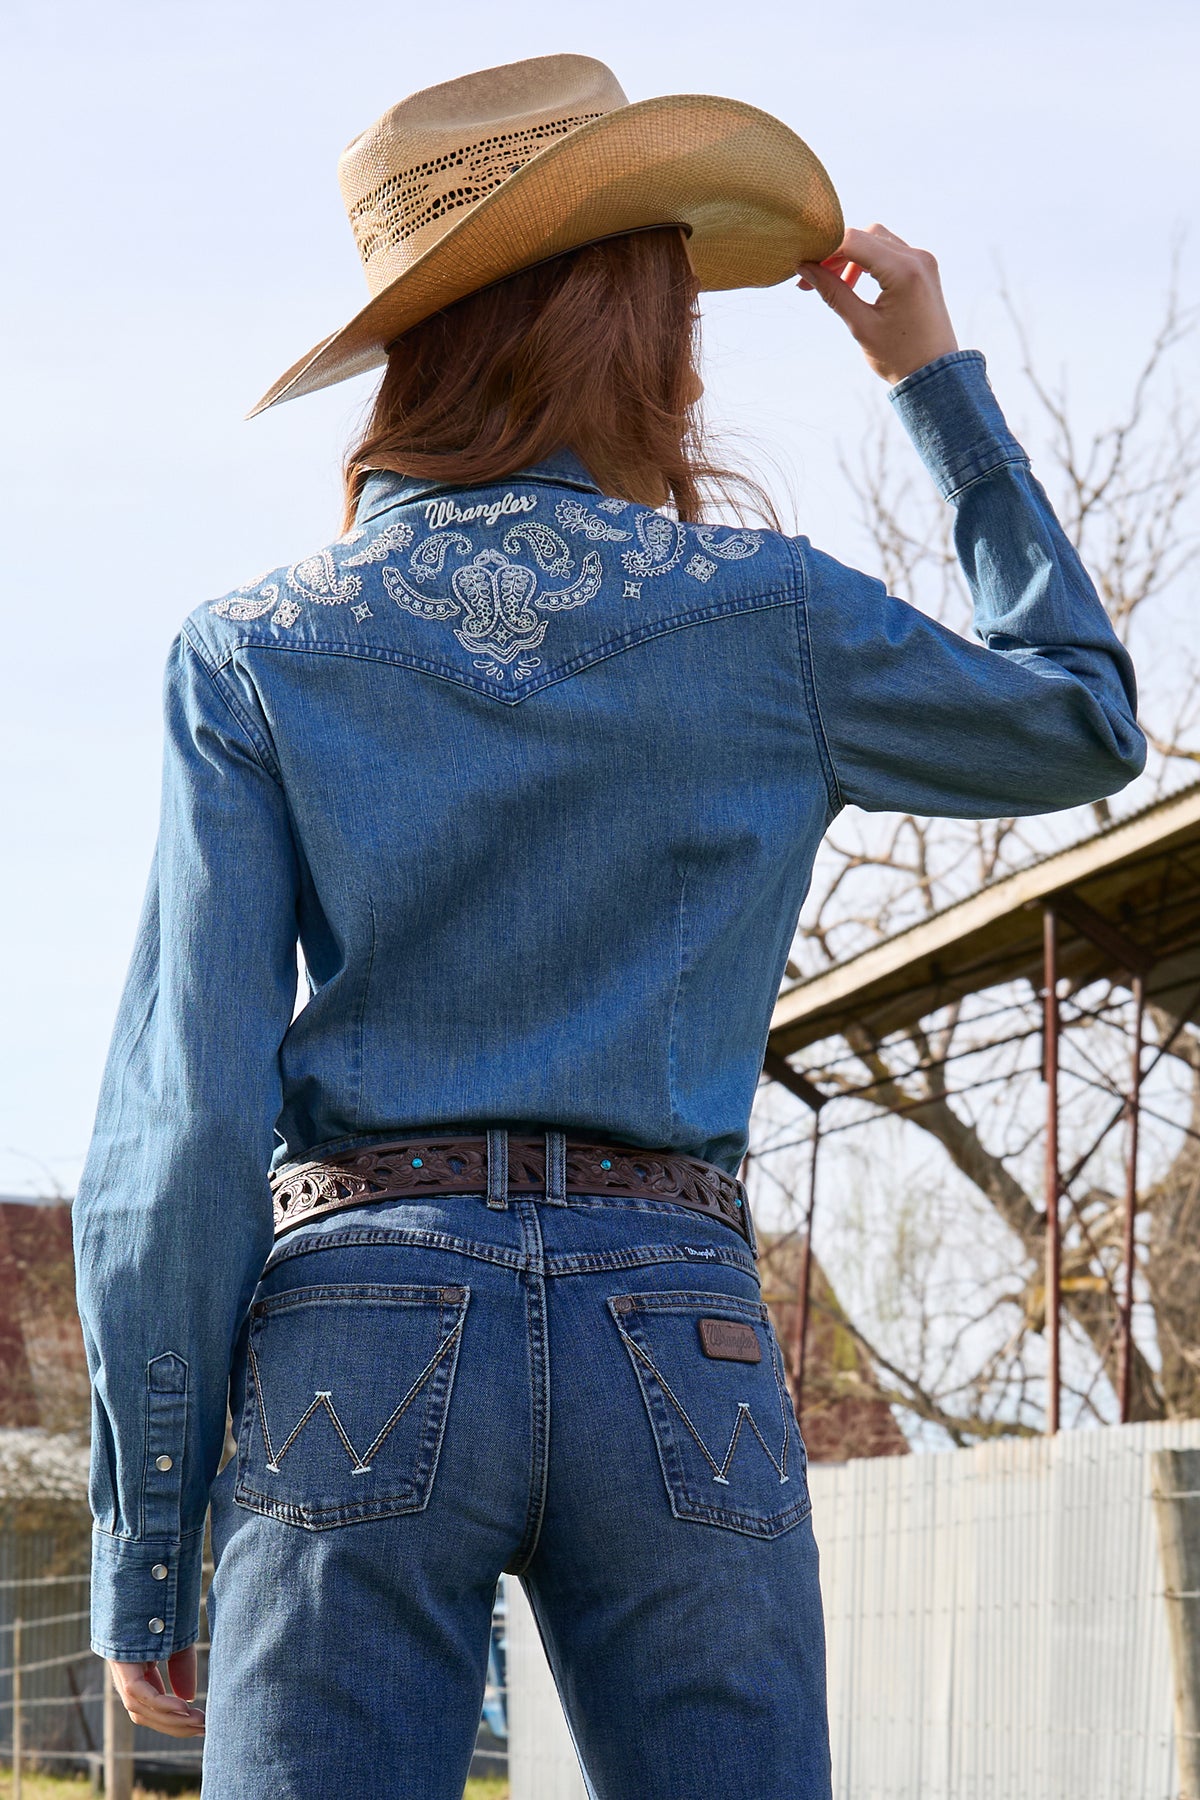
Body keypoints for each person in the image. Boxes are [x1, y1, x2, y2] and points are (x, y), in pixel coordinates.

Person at [72, 51, 1145, 1800]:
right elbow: (1081, 718)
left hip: (359, 1323)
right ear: (640, 327)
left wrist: (147, 1534)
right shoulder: (770, 616)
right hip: (682, 1329)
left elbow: (177, 1133)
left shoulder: (254, 650)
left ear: (414, 345)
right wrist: (933, 386)